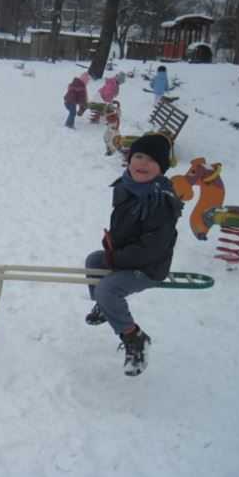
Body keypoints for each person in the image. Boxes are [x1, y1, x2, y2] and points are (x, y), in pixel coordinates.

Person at [84, 134, 183, 376]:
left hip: (149, 267)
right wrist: (112, 242)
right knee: (94, 261)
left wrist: (116, 258)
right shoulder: (126, 185)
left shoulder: (161, 202)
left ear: (161, 168)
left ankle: (135, 338)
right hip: (129, 257)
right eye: (138, 156)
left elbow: (151, 249)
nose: (142, 163)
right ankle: (106, 307)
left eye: (151, 160)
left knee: (107, 288)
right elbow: (125, 225)